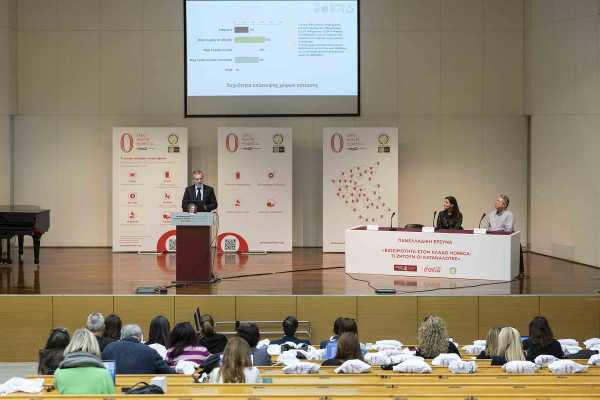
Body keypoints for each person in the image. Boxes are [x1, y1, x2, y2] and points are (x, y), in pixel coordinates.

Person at [54, 329, 115, 395]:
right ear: (94, 345)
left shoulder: (58, 373)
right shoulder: (103, 374)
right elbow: (113, 397)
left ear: (71, 345)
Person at [101, 324, 174, 374]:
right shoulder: (150, 352)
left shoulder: (109, 348)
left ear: (121, 337)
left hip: (114, 390)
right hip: (142, 390)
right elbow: (169, 372)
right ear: (141, 337)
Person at [484, 194, 525, 276]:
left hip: (502, 240)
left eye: (498, 201)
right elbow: (486, 227)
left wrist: (497, 234)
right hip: (491, 239)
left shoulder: (509, 215)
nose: (496, 202)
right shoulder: (491, 214)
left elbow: (508, 230)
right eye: (496, 200)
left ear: (504, 205)